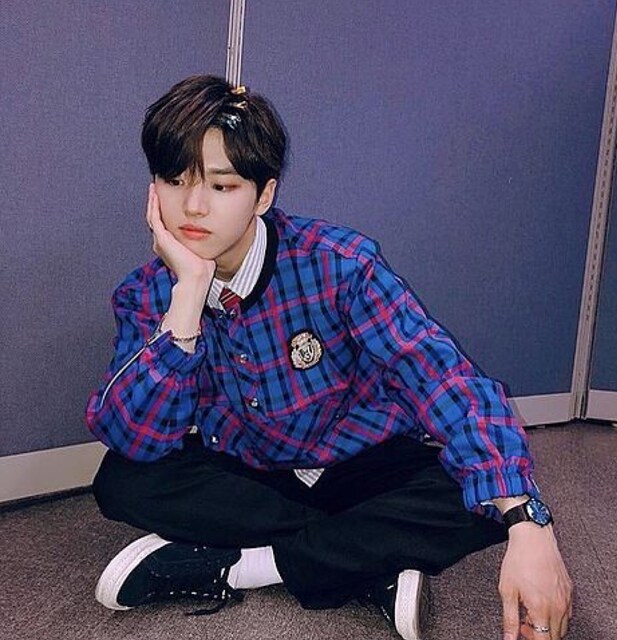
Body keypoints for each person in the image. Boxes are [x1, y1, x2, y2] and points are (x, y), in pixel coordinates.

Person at [86, 75, 573, 640]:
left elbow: (441, 377)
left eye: (222, 186)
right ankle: (366, 560)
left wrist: (528, 523)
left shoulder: (340, 264)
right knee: (123, 481)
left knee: (475, 498)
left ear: (263, 195)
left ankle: (238, 567)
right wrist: (188, 299)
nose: (193, 207)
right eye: (175, 181)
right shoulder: (146, 293)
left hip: (360, 462)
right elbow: (136, 437)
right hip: (254, 470)